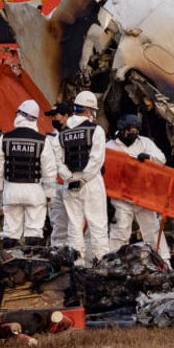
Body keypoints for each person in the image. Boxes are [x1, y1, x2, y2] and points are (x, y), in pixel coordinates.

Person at [51, 90, 110, 265]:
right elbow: (96, 159)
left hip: (70, 185)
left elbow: (58, 161)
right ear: (88, 110)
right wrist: (84, 179)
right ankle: (101, 263)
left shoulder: (61, 134)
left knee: (74, 226)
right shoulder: (96, 130)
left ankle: (77, 264)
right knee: (97, 224)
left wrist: (69, 178)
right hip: (91, 182)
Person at [0, 99, 57, 247]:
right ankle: (32, 264)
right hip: (35, 191)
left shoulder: (5, 138)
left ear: (20, 115)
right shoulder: (42, 141)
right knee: (34, 230)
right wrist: (50, 194)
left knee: (10, 230)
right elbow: (49, 170)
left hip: (11, 189)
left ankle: (10, 264)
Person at [106, 113, 171, 263]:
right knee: (120, 232)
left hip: (144, 195)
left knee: (152, 232)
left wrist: (148, 157)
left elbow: (162, 159)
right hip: (121, 197)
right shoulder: (109, 147)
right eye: (131, 131)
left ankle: (164, 263)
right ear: (123, 130)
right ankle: (114, 264)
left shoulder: (145, 143)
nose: (133, 134)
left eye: (136, 132)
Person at [43, 102, 73, 247]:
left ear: (66, 116)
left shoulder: (76, 135)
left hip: (73, 185)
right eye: (51, 116)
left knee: (76, 225)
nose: (53, 119)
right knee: (58, 225)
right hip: (55, 186)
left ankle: (78, 260)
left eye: (55, 115)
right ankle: (57, 260)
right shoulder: (48, 138)